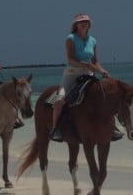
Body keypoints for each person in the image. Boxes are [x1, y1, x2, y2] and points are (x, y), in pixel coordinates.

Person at [48, 13, 120, 143]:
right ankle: (54, 129)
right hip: (71, 74)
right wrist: (84, 64)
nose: (84, 23)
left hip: (89, 74)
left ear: (89, 24)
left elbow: (95, 61)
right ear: (76, 25)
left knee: (104, 96)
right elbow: (70, 58)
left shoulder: (93, 40)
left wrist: (102, 70)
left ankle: (112, 127)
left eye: (86, 21)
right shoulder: (70, 38)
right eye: (81, 22)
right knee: (59, 98)